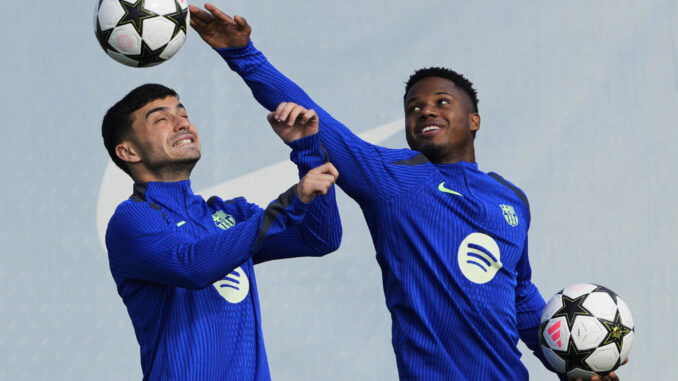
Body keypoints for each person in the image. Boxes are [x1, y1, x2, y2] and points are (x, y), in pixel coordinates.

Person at [188, 4, 626, 381]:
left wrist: (573, 363)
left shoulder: (510, 199)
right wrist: (244, 55)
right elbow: (318, 120)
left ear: (474, 120)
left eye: (441, 102)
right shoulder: (393, 178)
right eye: (414, 108)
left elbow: (519, 292)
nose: (425, 111)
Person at [101, 83, 341, 380]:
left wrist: (308, 151)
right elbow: (191, 266)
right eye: (162, 119)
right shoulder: (132, 220)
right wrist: (288, 203)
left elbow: (318, 238)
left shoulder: (229, 214)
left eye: (183, 113)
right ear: (128, 151)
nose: (183, 123)